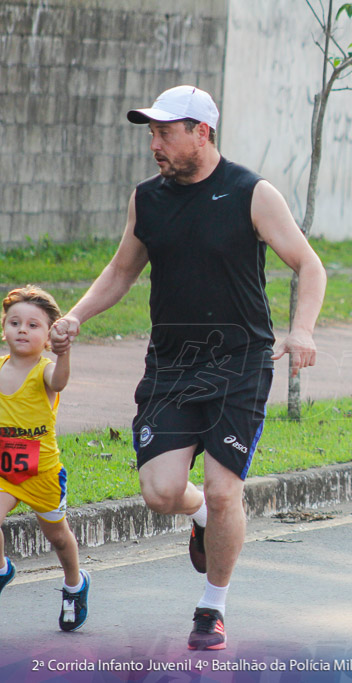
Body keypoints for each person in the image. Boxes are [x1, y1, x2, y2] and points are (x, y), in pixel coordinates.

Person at [49, 85, 327, 650]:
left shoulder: (252, 192)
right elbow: (121, 271)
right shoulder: (147, 199)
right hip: (172, 363)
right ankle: (198, 516)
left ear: (201, 132)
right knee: (160, 491)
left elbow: (308, 263)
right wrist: (75, 315)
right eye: (151, 133)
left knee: (227, 491)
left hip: (240, 360)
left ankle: (212, 606)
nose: (154, 143)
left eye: (164, 132)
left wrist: (302, 330)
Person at [0, 286, 90, 632]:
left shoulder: (45, 371)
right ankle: (2, 569)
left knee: (58, 537)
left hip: (43, 473)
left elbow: (61, 381)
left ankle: (74, 584)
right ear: (4, 327)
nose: (22, 330)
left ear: (50, 335)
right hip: (5, 472)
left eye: (33, 325)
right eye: (15, 322)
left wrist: (65, 354)